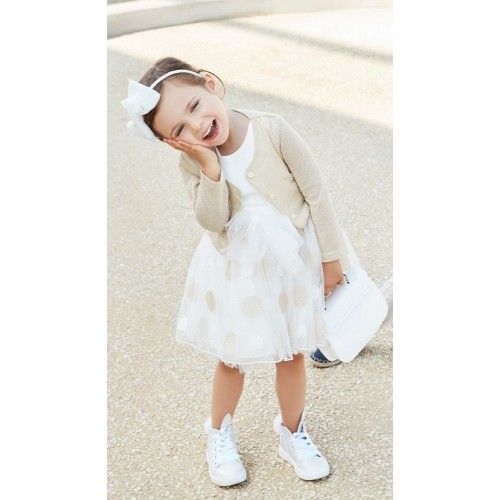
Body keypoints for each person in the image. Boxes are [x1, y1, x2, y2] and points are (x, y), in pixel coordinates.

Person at [121, 56, 348, 486]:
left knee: (291, 353)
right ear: (173, 144)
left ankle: (292, 432)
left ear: (209, 84)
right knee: (231, 357)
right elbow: (213, 220)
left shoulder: (271, 128)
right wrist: (210, 169)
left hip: (288, 262)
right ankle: (219, 432)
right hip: (234, 271)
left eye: (194, 107)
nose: (197, 126)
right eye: (180, 130)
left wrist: (331, 259)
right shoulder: (193, 162)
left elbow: (316, 193)